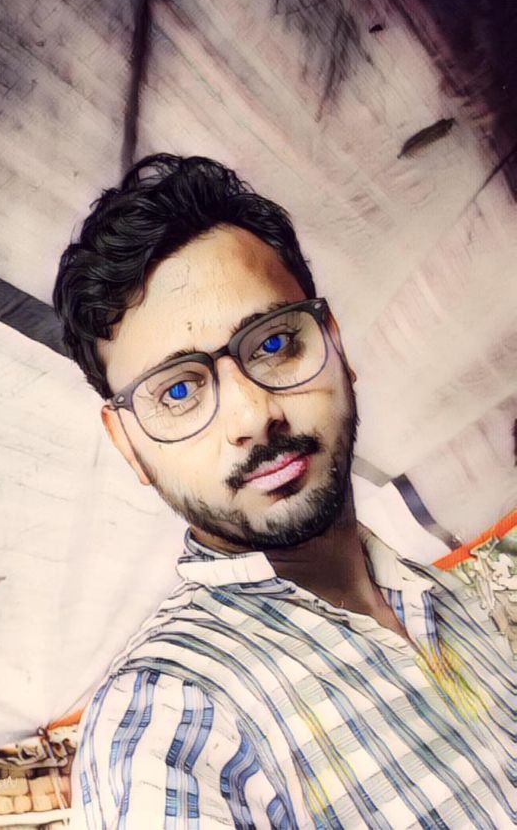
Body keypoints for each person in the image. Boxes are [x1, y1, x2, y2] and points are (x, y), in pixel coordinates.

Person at [53, 154, 515, 829]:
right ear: (128, 444)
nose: (253, 414)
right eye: (178, 390)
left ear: (334, 345)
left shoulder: (446, 599)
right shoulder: (169, 723)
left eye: (272, 343)